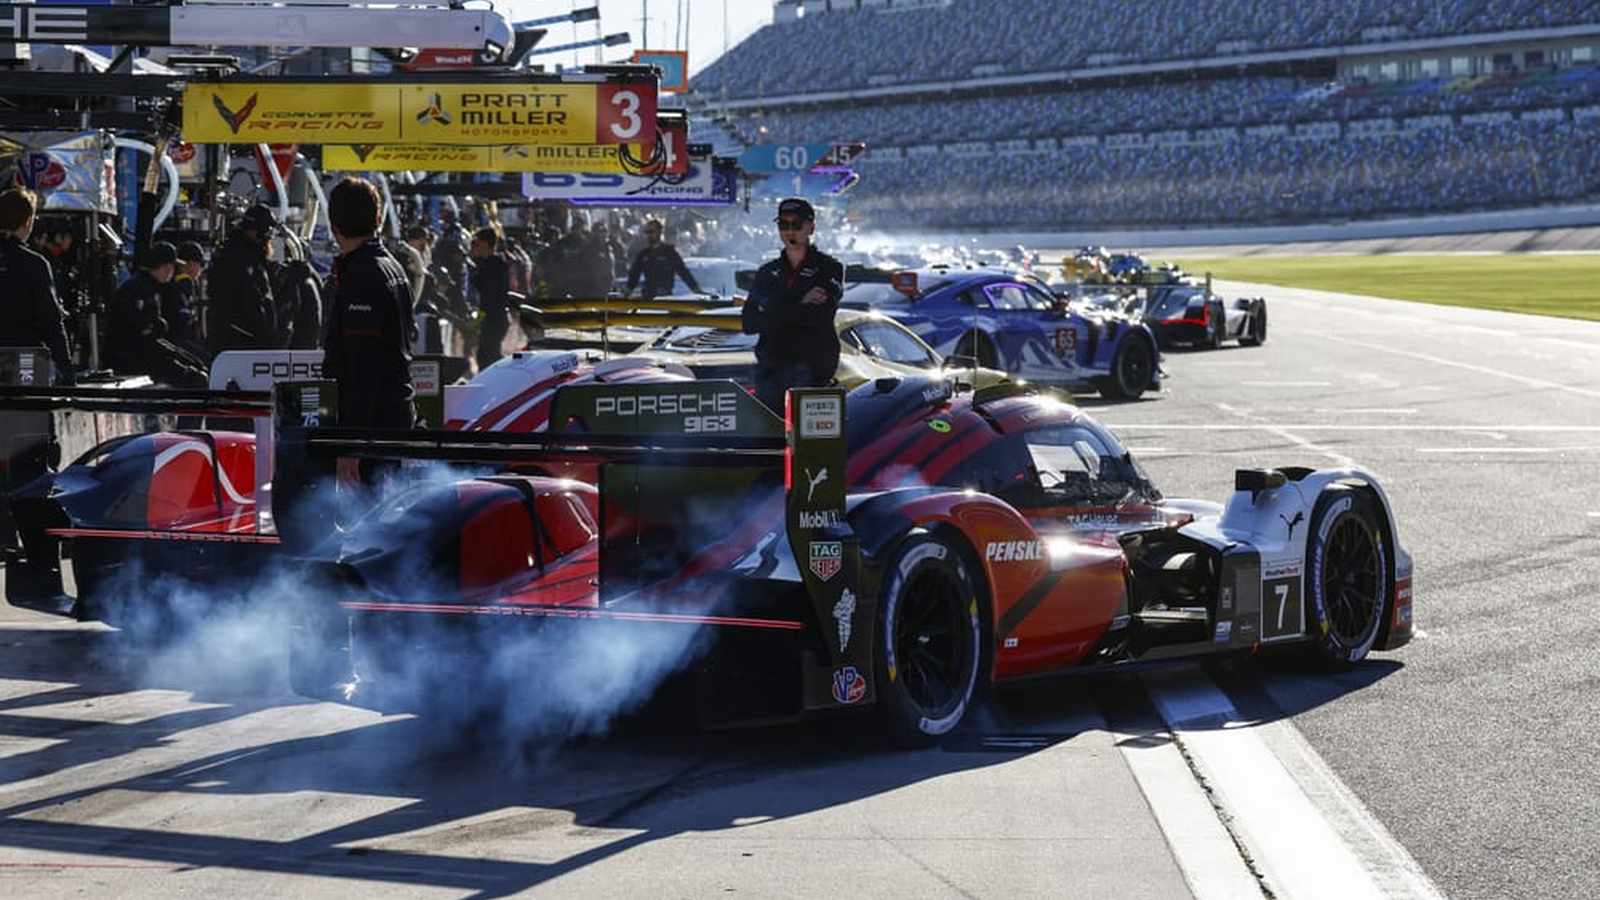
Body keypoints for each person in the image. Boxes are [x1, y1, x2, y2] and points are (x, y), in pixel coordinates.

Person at [322, 176, 416, 429]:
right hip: (396, 415)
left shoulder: (361, 276)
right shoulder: (393, 267)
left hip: (371, 430)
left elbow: (363, 368)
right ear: (378, 219)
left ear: (334, 226)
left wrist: (351, 445)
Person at [741, 198, 845, 413]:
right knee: (768, 439)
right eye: (783, 225)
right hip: (771, 367)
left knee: (807, 441)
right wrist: (800, 301)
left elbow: (819, 317)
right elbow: (749, 322)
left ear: (811, 227)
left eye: (796, 224)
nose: (790, 231)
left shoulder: (829, 268)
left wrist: (773, 307)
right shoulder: (767, 272)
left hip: (812, 367)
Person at [0, 188, 74, 383]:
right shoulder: (34, 263)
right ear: (28, 222)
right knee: (25, 410)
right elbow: (51, 322)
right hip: (24, 360)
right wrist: (66, 369)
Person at [107, 242, 205, 385]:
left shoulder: (150, 286)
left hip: (144, 350)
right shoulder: (139, 289)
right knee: (195, 378)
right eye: (171, 268)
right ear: (165, 267)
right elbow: (140, 334)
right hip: (130, 355)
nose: (172, 273)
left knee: (196, 365)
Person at [207, 204, 279, 353]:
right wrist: (265, 338)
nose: (268, 238)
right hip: (239, 342)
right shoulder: (241, 259)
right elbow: (251, 302)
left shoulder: (244, 255)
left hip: (237, 339)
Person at [625, 218, 700, 300]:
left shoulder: (669, 252)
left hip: (664, 299)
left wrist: (696, 289)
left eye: (651, 232)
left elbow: (683, 272)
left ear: (659, 232)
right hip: (647, 298)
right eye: (646, 232)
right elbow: (634, 275)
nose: (648, 235)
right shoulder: (643, 254)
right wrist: (627, 292)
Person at [469, 226, 511, 370]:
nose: (475, 246)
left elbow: (488, 298)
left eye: (477, 243)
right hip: (494, 317)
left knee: (488, 357)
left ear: (485, 244)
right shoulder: (489, 264)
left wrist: (478, 322)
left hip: (494, 318)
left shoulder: (493, 265)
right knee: (487, 355)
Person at [163, 241, 206, 354]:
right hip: (178, 341)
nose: (200, 269)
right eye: (200, 264)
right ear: (189, 264)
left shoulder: (171, 281)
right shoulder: (184, 283)